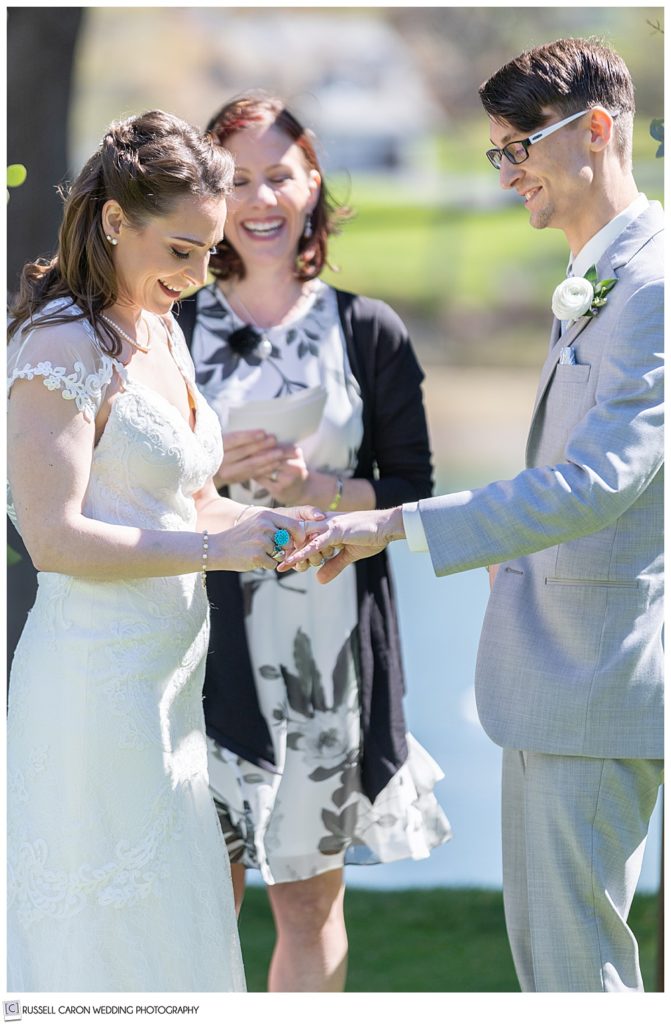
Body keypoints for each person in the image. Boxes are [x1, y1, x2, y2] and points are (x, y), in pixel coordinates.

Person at [282, 38, 664, 993]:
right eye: (496, 153)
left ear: (598, 132)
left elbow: (601, 480)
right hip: (553, 670)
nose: (506, 177)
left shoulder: (651, 287)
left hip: (594, 675)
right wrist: (512, 549)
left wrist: (396, 525)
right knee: (551, 966)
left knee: (578, 974)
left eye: (517, 149)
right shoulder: (597, 276)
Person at [6, 109, 325, 992]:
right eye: (179, 250)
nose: (194, 275)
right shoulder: (58, 346)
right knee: (98, 946)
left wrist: (264, 533)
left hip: (168, 689)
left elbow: (188, 502)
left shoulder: (160, 332)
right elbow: (55, 537)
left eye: (207, 254)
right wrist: (212, 551)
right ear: (115, 221)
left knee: (171, 935)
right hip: (89, 688)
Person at [175, 93, 452, 993]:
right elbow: (121, 489)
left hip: (327, 658)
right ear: (209, 194)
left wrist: (314, 490)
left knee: (306, 904)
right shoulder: (165, 329)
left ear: (313, 183)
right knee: (194, 898)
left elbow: (413, 493)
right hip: (193, 655)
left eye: (279, 175)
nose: (261, 198)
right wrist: (210, 481)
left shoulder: (368, 331)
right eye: (238, 178)